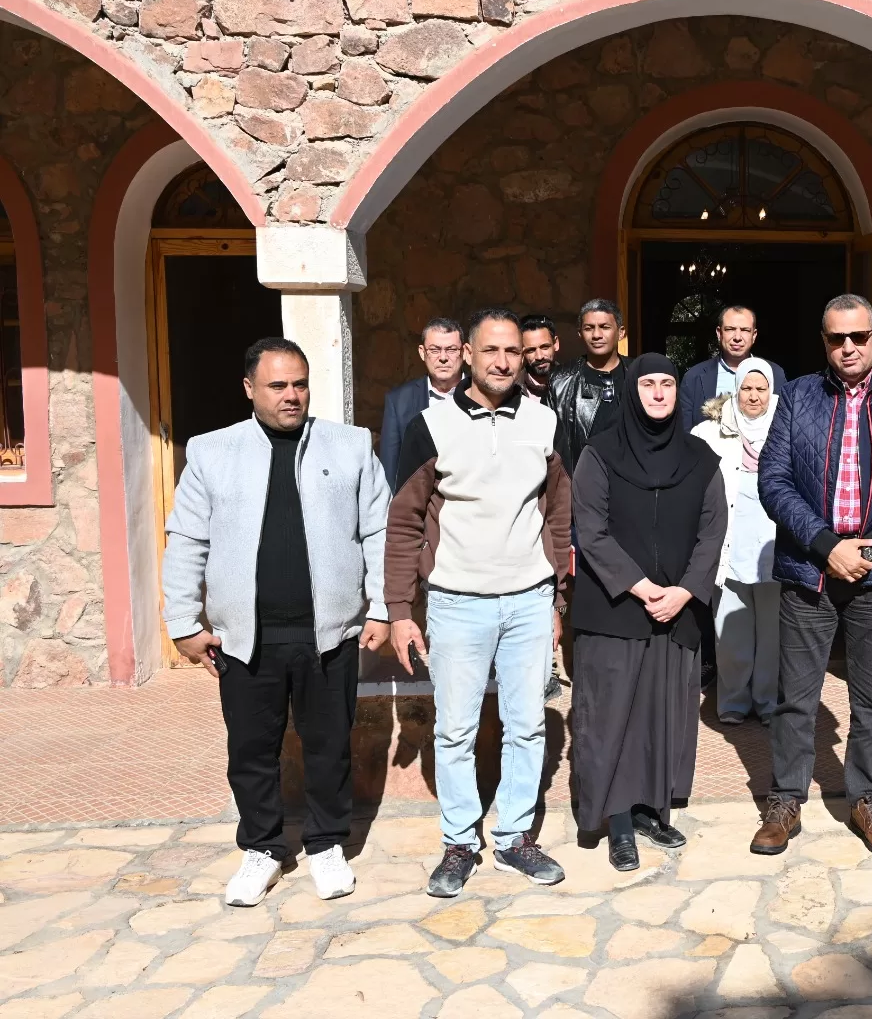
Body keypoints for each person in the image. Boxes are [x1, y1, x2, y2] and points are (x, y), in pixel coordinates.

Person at [163, 338, 390, 907]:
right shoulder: (212, 452)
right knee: (251, 750)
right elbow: (186, 539)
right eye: (278, 385)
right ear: (249, 388)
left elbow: (379, 531)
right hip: (246, 638)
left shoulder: (350, 445)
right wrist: (183, 621)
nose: (292, 395)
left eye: (300, 384)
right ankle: (262, 848)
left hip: (329, 634)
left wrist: (382, 606)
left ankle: (326, 843)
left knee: (329, 746)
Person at [386, 308, 572, 897]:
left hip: (528, 599)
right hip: (456, 601)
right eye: (490, 350)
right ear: (467, 354)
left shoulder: (544, 422)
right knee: (455, 730)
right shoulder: (429, 426)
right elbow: (404, 522)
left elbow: (559, 515)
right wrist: (398, 611)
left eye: (512, 351)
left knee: (527, 726)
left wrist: (556, 600)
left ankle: (514, 838)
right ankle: (460, 842)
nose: (502, 361)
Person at [753, 294, 872, 858]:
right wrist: (827, 546)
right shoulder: (797, 397)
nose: (849, 348)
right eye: (837, 338)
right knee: (796, 698)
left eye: (858, 336)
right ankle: (785, 800)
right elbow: (774, 481)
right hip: (810, 569)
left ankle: (866, 799)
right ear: (825, 341)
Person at [570, 354, 727, 871]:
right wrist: (642, 588)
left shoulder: (701, 458)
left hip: (676, 611)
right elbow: (590, 530)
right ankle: (617, 818)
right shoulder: (600, 453)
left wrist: (684, 592)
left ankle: (651, 809)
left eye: (667, 384)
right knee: (612, 715)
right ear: (632, 392)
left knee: (663, 712)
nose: (658, 393)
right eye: (648, 385)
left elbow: (713, 531)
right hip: (614, 607)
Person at [691, 358, 781, 726]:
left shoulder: (787, 427)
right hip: (728, 545)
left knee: (773, 632)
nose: (754, 396)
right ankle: (732, 701)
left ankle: (768, 701)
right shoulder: (708, 433)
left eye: (761, 388)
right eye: (747, 388)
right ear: (736, 389)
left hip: (775, 545)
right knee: (730, 630)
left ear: (771, 391)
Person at [545, 298, 631, 474]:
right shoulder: (560, 381)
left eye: (605, 327)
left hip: (632, 480)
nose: (596, 335)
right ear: (580, 334)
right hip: (582, 480)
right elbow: (550, 445)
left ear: (621, 332)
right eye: (589, 328)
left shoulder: (639, 375)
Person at [379, 318, 464, 492]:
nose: (443, 358)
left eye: (451, 350)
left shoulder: (482, 395)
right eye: (434, 350)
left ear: (464, 352)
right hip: (420, 504)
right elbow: (390, 470)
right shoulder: (398, 401)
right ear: (422, 352)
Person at [679, 304, 789, 431]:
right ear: (719, 333)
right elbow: (684, 433)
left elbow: (784, 425)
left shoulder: (775, 374)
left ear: (754, 335)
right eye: (730, 329)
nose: (737, 337)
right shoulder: (693, 377)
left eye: (745, 330)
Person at [520, 314, 560, 400]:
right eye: (531, 350)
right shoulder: (512, 390)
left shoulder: (574, 383)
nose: (539, 356)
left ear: (556, 344)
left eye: (545, 347)